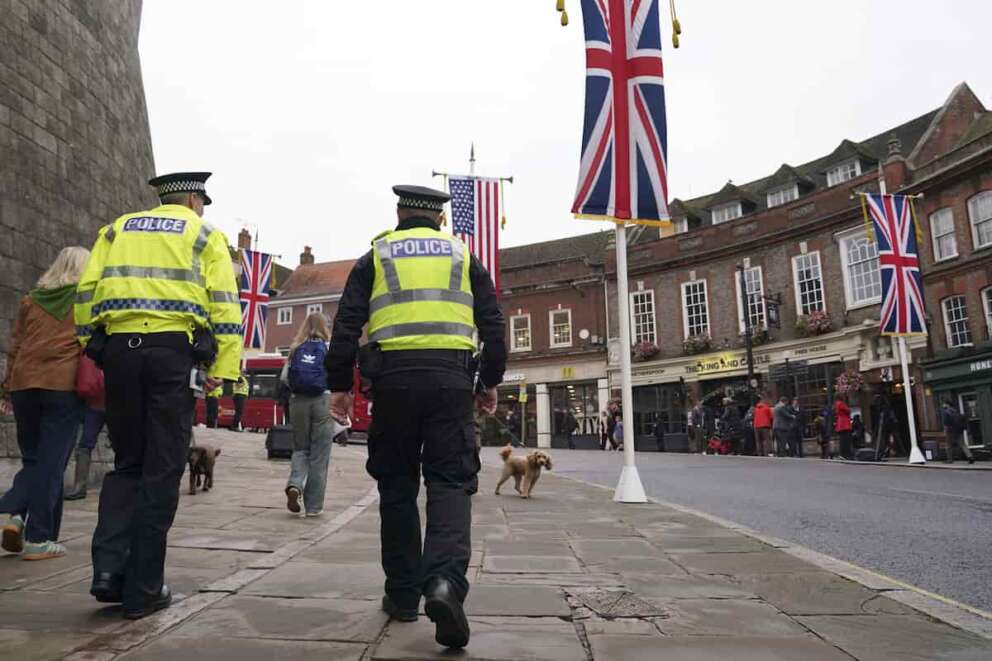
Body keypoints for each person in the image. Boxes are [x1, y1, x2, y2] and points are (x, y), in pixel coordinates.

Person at [324, 185, 506, 650]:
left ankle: (403, 594)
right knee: (450, 482)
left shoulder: (377, 255)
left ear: (400, 212)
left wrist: (340, 385)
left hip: (394, 384)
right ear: (440, 219)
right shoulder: (463, 255)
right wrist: (489, 380)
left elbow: (346, 323)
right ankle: (444, 584)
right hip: (450, 384)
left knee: (397, 484)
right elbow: (492, 321)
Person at [75, 172, 242, 620]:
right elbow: (225, 306)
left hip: (120, 352)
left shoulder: (116, 229)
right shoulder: (205, 235)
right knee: (163, 468)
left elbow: (86, 293)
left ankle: (108, 573)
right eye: (202, 201)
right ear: (192, 199)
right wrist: (221, 372)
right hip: (172, 354)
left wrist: (90, 341)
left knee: (127, 464)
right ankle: (144, 588)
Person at [1, 247, 90, 560]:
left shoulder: (31, 299)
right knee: (50, 464)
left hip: (24, 384)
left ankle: (19, 521)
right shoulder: (84, 299)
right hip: (61, 386)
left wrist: (5, 390)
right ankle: (36, 536)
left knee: (35, 460)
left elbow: (16, 346)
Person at [282, 313, 344, 517]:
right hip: (323, 401)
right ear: (325, 327)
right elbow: (338, 378)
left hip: (298, 401)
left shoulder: (296, 348)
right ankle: (313, 507)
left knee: (300, 449)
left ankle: (295, 484)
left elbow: (284, 378)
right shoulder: (328, 348)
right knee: (319, 455)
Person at [65, 356, 106, 501]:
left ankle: (79, 487)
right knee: (84, 446)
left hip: (104, 402)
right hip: (97, 403)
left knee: (85, 445)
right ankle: (79, 487)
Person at [941, 400, 974, 464]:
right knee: (962, 444)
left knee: (948, 445)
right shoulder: (955, 411)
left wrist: (945, 431)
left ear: (947, 405)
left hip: (950, 431)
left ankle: (950, 460)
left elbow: (945, 423)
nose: (943, 405)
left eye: (944, 404)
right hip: (959, 430)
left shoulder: (946, 412)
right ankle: (970, 456)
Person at [833, 395, 853, 460]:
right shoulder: (841, 403)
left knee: (842, 439)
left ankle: (842, 454)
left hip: (840, 423)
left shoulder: (836, 404)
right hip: (844, 423)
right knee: (846, 440)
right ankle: (845, 454)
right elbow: (848, 410)